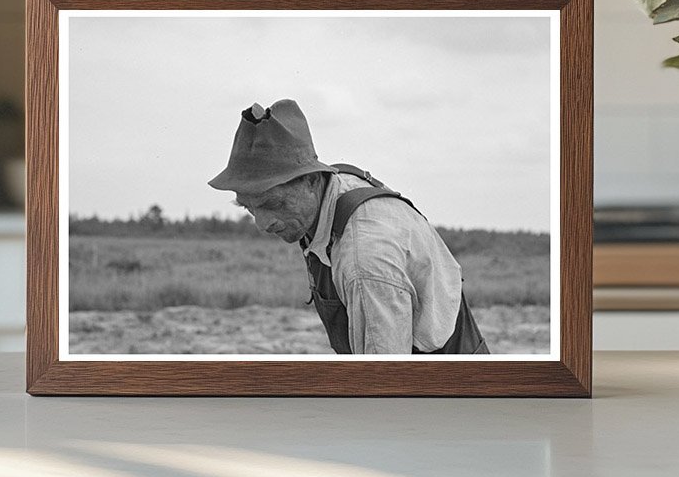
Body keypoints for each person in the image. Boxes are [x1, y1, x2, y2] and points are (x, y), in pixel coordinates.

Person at [208, 99, 490, 355]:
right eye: (248, 207)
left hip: (449, 391)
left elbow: (384, 383)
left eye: (273, 203)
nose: (262, 223)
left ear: (311, 180)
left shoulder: (365, 257)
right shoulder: (331, 192)